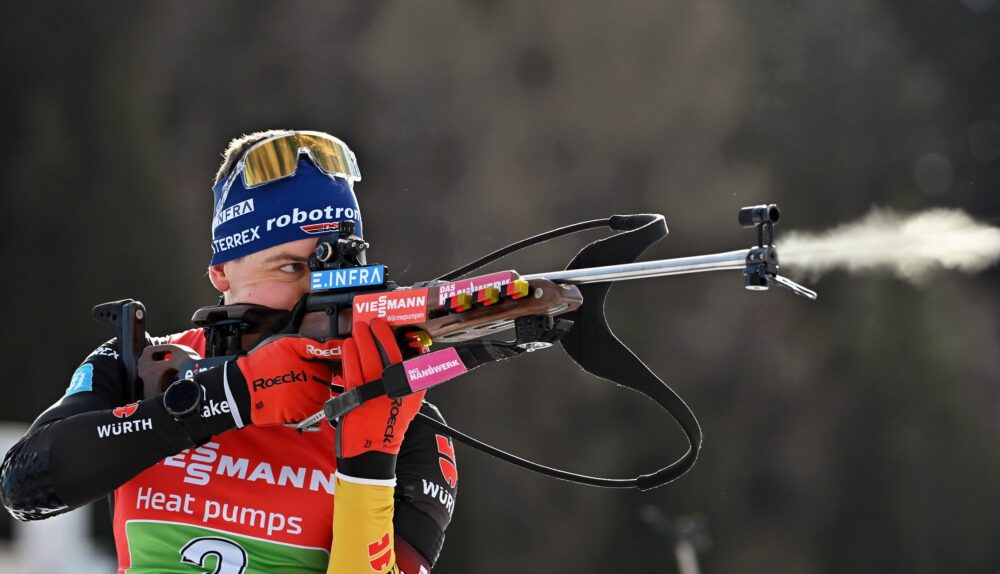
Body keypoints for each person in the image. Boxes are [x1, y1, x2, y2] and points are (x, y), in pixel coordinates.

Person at [0, 130, 458, 574]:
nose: (314, 293)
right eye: (291, 267)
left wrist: (369, 462)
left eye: (337, 268)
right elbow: (24, 485)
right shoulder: (145, 363)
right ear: (221, 271)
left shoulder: (403, 414)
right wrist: (229, 397)